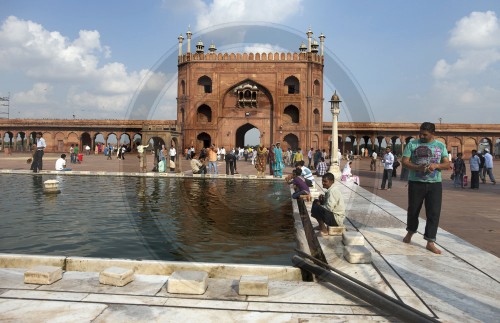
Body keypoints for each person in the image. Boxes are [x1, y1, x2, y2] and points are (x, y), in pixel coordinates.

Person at [402, 122, 449, 254]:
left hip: (435, 184)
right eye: (420, 133)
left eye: (425, 134)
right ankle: (410, 232)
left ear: (433, 134)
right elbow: (404, 162)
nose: (421, 136)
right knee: (413, 210)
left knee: (433, 212)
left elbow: (447, 164)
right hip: (416, 182)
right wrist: (418, 168)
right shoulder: (412, 144)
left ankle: (430, 241)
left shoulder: (440, 145)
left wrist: (436, 166)